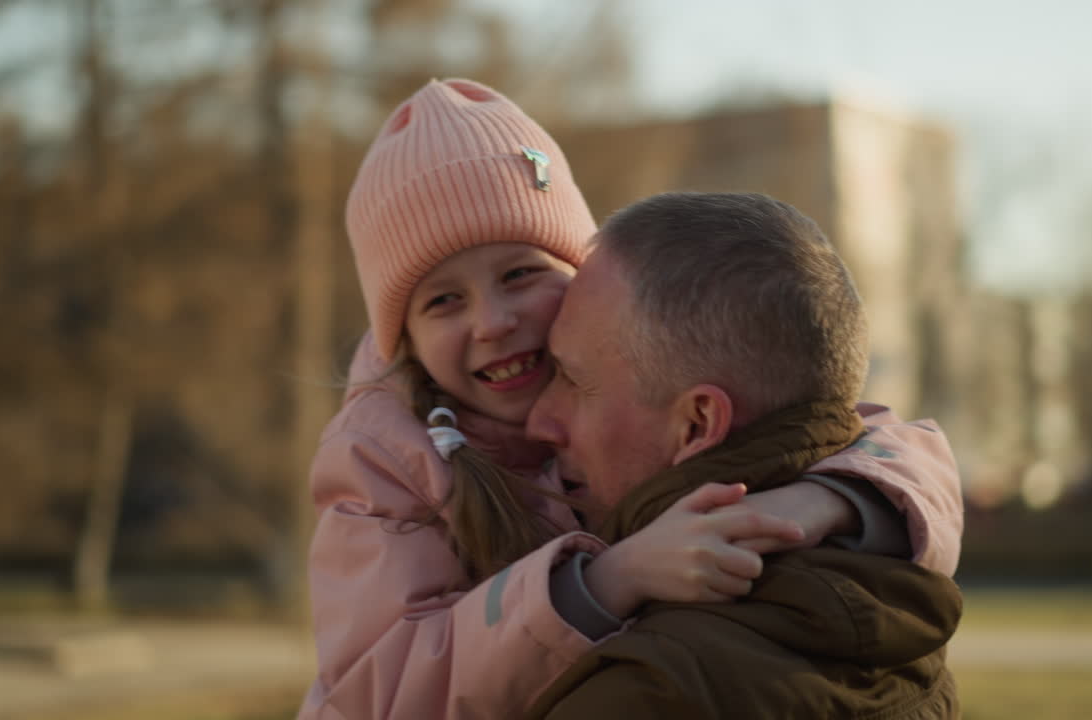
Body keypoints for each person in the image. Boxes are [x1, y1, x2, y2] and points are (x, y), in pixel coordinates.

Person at [298, 79, 962, 720]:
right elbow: (375, 696)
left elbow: (876, 439)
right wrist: (604, 583)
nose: (492, 320)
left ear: (581, 274)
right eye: (444, 300)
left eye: (521, 273)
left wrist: (821, 502)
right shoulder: (386, 459)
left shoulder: (641, 379)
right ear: (405, 339)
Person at [523, 192, 962, 719]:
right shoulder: (889, 604)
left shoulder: (647, 693)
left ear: (697, 423)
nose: (537, 421)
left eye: (572, 379)